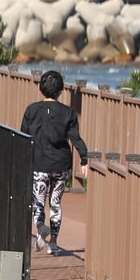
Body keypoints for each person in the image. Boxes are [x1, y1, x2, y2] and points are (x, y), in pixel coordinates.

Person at [20, 70, 88, 255]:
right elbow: (75, 138)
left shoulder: (31, 110)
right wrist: (84, 158)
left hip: (39, 163)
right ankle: (54, 243)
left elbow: (23, 137)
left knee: (38, 202)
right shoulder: (68, 113)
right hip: (61, 163)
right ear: (60, 90)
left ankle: (41, 226)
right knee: (56, 203)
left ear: (41, 88)